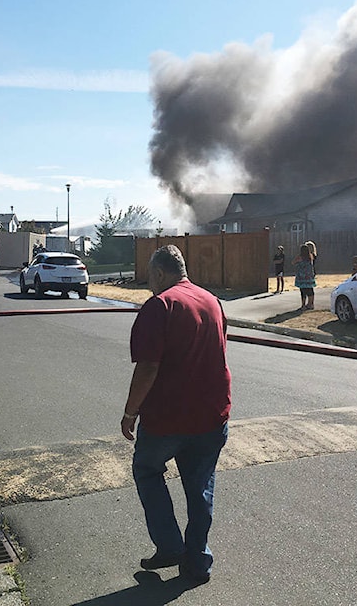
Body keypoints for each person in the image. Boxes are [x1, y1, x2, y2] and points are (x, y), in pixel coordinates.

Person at [121, 244, 231, 585]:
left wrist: (130, 413)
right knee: (200, 489)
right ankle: (198, 562)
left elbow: (148, 367)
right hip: (212, 416)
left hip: (169, 419)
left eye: (150, 278)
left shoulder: (160, 306)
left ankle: (169, 545)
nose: (150, 285)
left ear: (158, 273)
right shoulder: (211, 300)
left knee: (147, 469)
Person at [293, 243, 317, 310]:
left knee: (303, 291)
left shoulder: (300, 257)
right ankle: (311, 304)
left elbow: (293, 262)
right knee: (310, 290)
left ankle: (303, 305)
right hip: (309, 277)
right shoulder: (310, 256)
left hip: (301, 277)